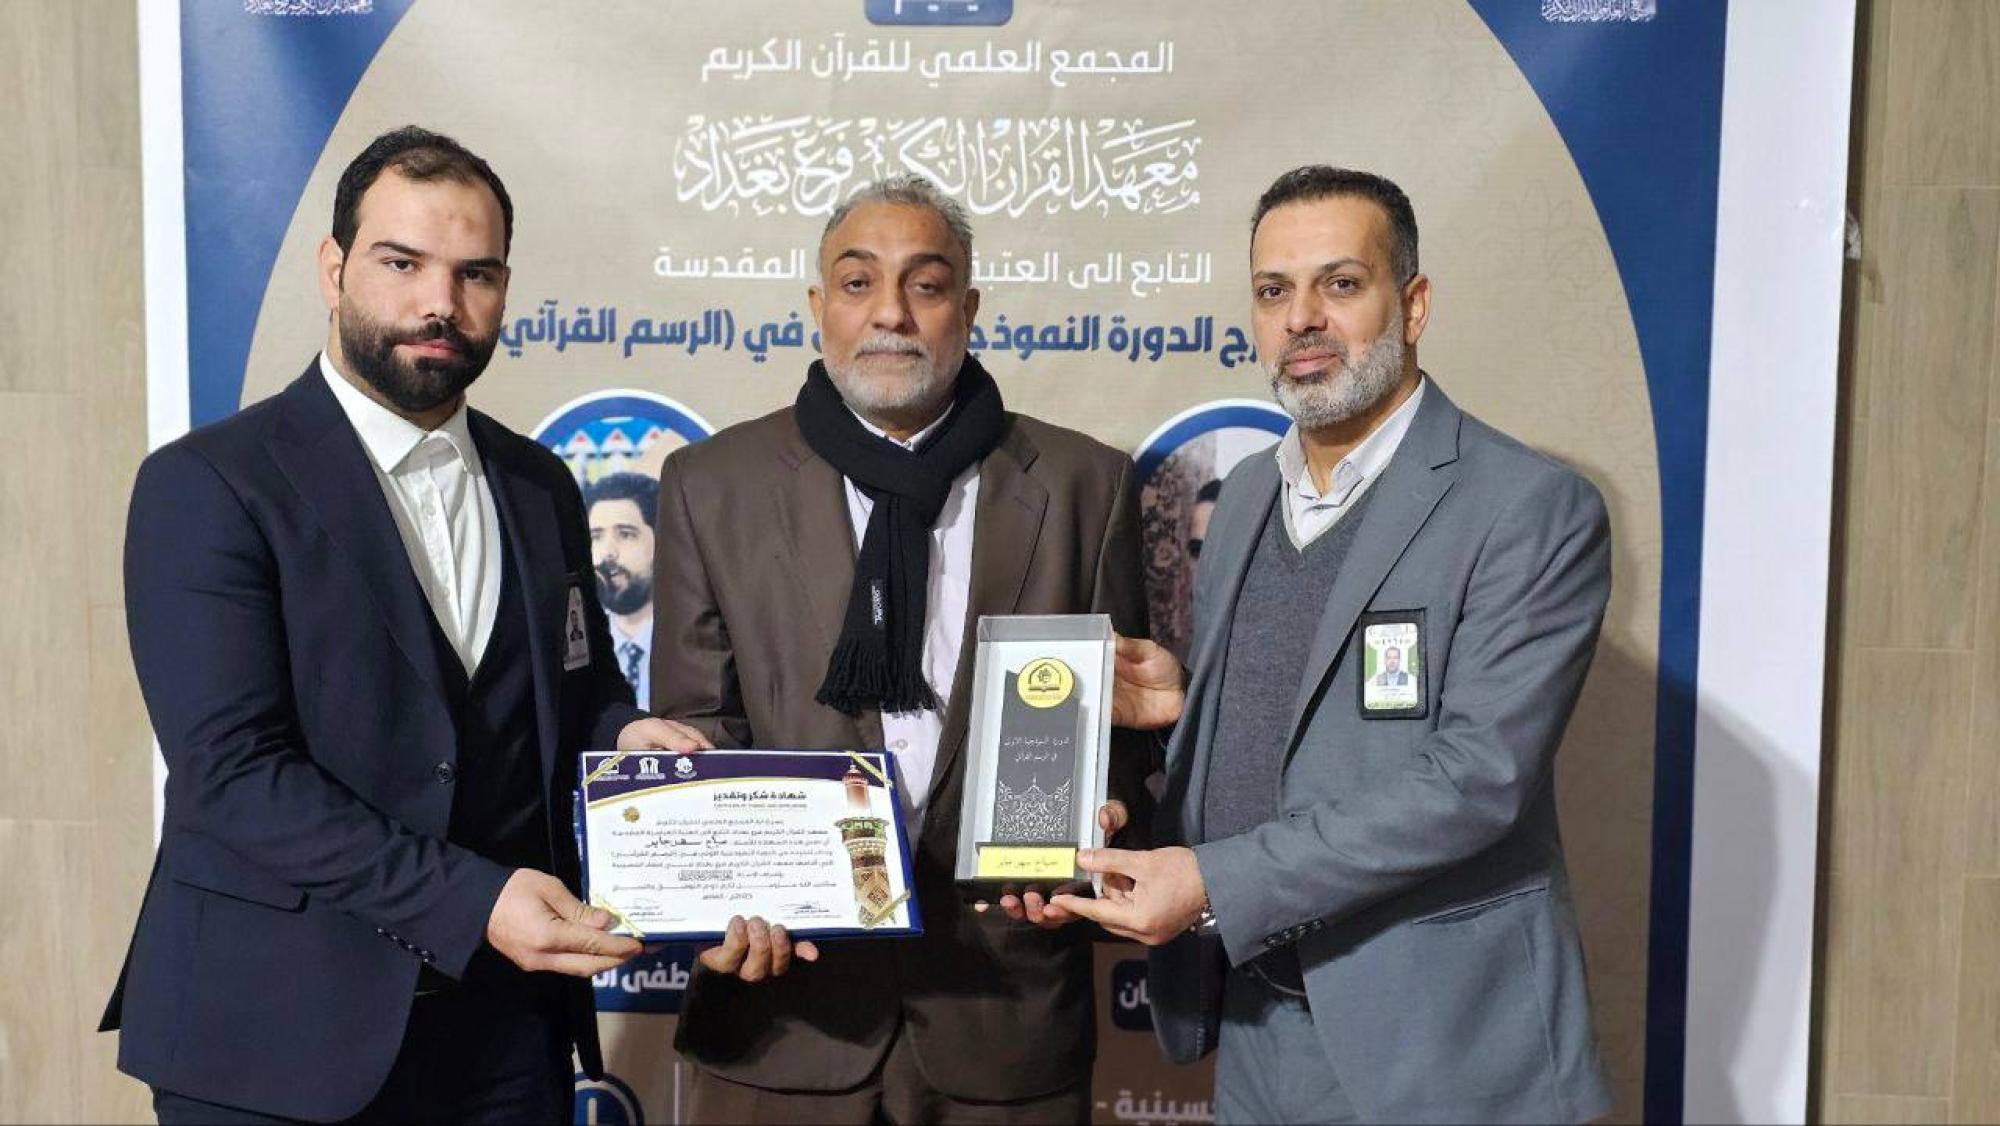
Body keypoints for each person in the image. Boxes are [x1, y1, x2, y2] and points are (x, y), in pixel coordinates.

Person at [102, 126, 709, 1124]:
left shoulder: (539, 483)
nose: (441, 302)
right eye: (402, 263)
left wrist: (624, 734)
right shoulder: (208, 485)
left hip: (505, 1038)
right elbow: (234, 774)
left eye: (476, 274)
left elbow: (569, 695)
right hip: (273, 1036)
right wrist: (473, 902)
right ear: (332, 269)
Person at [1052, 166, 1613, 1124]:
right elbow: (1315, 716)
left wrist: (1215, 882)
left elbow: (1477, 776)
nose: (1302, 318)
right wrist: (1191, 708)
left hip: (1437, 1044)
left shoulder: (1528, 506)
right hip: (1254, 1020)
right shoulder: (1247, 500)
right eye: (1274, 291)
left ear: (1415, 303)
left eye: (1340, 284)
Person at [651, 175, 1150, 1124]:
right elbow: (697, 729)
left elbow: (1124, 736)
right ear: (817, 308)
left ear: (968, 308)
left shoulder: (1087, 484)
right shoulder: (711, 485)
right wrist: (714, 891)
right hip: (782, 1016)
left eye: (925, 285)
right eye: (858, 283)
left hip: (1007, 1019)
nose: (891, 313)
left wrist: (1106, 820)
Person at [585, 471, 660, 704]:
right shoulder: (580, 650)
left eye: (625, 535)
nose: (608, 552)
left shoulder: (696, 645)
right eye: (596, 536)